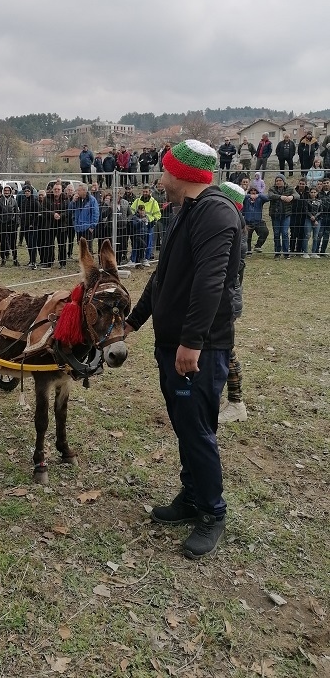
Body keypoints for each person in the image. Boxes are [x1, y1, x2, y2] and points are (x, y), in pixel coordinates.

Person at [125, 140, 242, 560]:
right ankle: (192, 496)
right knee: (185, 424)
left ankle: (212, 512)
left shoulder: (215, 212)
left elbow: (211, 283)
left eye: (164, 171)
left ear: (182, 174)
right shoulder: (184, 212)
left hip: (198, 348)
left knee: (196, 428)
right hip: (171, 342)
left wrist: (192, 342)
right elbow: (164, 277)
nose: (160, 179)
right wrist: (134, 321)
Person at [217, 181, 249, 424]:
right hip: (227, 294)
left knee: (225, 350)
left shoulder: (233, 225)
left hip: (226, 296)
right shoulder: (234, 222)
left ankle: (237, 403)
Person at [268, 174, 298, 258]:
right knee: (276, 233)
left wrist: (292, 197)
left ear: (283, 181)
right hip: (275, 215)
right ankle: (277, 252)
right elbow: (270, 195)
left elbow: (297, 195)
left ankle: (286, 252)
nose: (278, 182)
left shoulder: (290, 188)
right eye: (276, 181)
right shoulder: (272, 189)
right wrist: (281, 197)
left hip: (286, 215)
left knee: (285, 233)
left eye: (280, 180)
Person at [130, 185, 161, 262]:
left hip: (149, 225)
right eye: (143, 191)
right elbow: (131, 211)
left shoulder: (154, 202)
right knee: (136, 243)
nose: (145, 193)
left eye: (146, 191)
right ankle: (134, 259)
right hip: (138, 225)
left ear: (149, 192)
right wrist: (136, 218)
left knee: (148, 243)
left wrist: (152, 220)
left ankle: (146, 258)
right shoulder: (137, 201)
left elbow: (158, 214)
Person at [69, 182, 99, 254]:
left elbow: (95, 213)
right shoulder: (76, 199)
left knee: (88, 248)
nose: (77, 192)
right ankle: (83, 262)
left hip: (87, 227)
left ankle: (89, 263)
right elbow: (70, 210)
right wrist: (73, 201)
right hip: (78, 227)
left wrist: (92, 226)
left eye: (79, 190)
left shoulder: (91, 200)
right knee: (81, 247)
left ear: (84, 191)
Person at [0, 184, 20, 266]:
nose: (6, 192)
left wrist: (16, 223)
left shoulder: (14, 201)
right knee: (3, 243)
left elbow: (17, 213)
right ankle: (3, 259)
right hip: (3, 225)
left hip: (12, 225)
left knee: (13, 243)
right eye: (5, 191)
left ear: (10, 192)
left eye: (8, 191)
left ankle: (15, 259)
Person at [242, 185, 269, 254]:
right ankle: (248, 251)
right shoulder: (246, 199)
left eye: (255, 190)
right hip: (247, 222)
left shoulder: (260, 199)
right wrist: (249, 196)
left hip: (258, 221)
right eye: (251, 190)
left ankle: (258, 246)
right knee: (247, 237)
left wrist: (259, 195)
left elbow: (267, 198)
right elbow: (241, 197)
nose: (253, 192)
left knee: (265, 232)